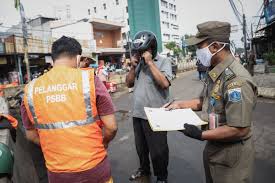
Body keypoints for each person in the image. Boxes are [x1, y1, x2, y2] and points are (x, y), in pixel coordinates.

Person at [165, 21, 258, 183]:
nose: (197, 52)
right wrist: (179, 105)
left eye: (199, 47)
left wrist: (200, 134)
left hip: (231, 159)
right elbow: (205, 100)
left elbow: (239, 129)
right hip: (215, 148)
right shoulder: (216, 72)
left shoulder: (237, 80)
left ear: (215, 47)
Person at [21, 36, 117, 183]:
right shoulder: (90, 80)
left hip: (58, 174)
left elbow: (31, 135)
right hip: (94, 168)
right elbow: (111, 127)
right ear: (78, 58)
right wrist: (102, 143)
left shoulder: (30, 90)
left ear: (53, 59)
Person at [126, 31, 172, 183]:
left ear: (151, 48)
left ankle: (161, 177)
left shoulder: (163, 61)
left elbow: (165, 83)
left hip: (157, 114)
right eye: (137, 51)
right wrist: (133, 67)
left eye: (142, 51)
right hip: (138, 113)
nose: (139, 54)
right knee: (141, 148)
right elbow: (129, 83)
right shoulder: (138, 64)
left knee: (158, 150)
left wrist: (151, 63)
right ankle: (144, 169)